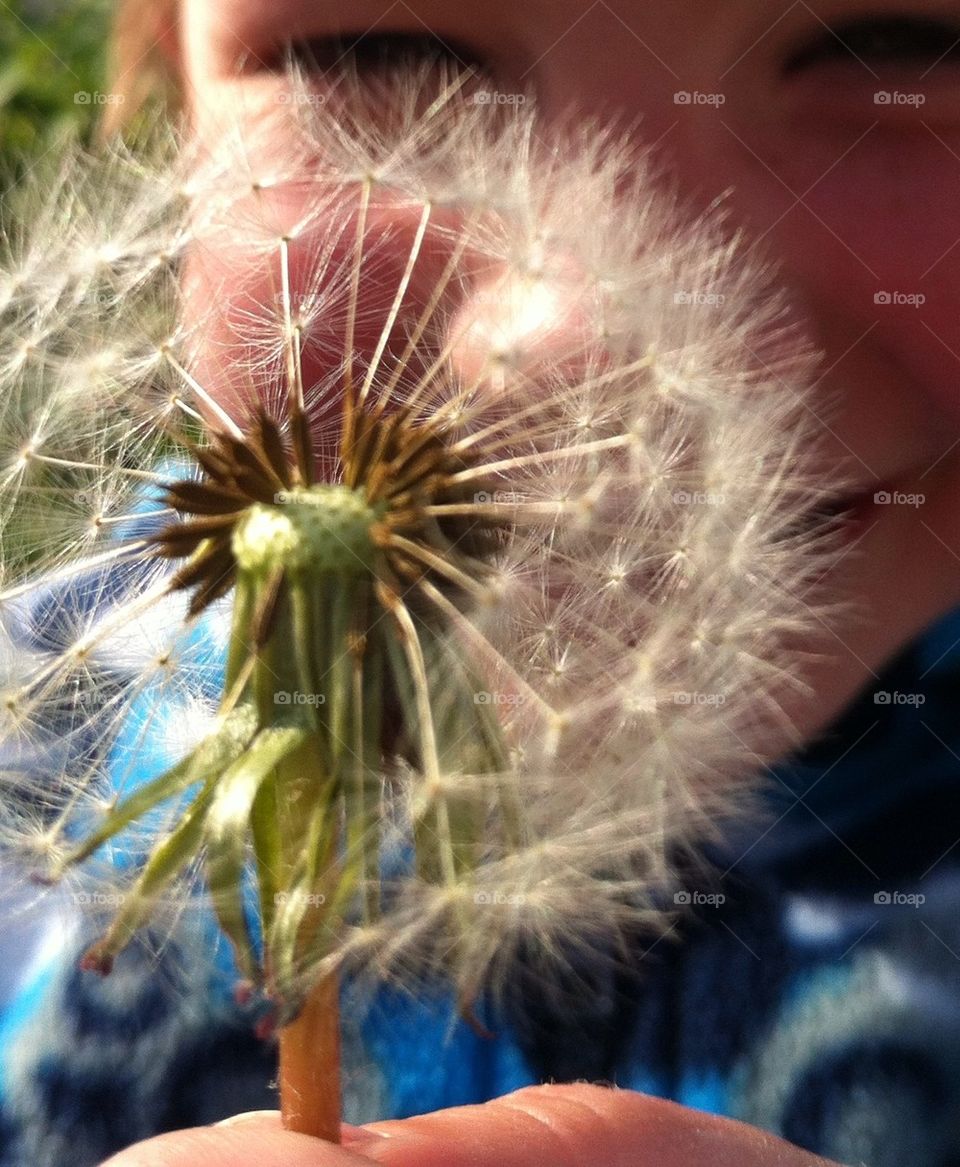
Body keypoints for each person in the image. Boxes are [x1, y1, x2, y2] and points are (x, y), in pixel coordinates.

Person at [6, 3, 960, 1165]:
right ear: (163, 98)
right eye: (370, 54)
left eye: (902, 46)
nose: (581, 349)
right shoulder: (30, 740)